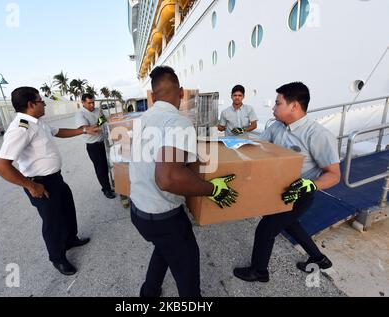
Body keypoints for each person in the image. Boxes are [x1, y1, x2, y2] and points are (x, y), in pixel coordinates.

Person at [129, 66, 238, 297]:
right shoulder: (177, 123)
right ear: (181, 93)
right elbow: (168, 178)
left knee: (163, 248)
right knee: (187, 271)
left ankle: (148, 293)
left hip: (139, 210)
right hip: (164, 217)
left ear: (152, 96)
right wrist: (213, 189)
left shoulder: (143, 119)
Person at [233, 82, 341, 283]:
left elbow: (334, 174)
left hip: (300, 193)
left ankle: (259, 271)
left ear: (294, 106)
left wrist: (312, 185)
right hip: (277, 189)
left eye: (277, 103)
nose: (273, 108)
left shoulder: (317, 135)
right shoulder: (276, 127)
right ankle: (319, 258)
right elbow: (259, 149)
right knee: (290, 224)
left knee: (266, 229)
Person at [0, 87, 97, 276]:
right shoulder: (20, 128)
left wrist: (83, 130)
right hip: (40, 183)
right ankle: (57, 258)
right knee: (52, 222)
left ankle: (70, 239)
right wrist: (31, 186)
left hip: (55, 178)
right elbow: (1, 166)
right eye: (41, 101)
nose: (44, 103)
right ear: (31, 104)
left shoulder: (38, 122)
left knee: (67, 209)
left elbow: (58, 131)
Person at [76, 94, 116, 199]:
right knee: (100, 169)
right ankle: (106, 189)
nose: (92, 105)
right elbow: (89, 130)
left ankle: (107, 185)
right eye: (89, 103)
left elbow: (108, 118)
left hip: (103, 142)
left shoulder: (98, 110)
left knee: (106, 166)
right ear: (83, 102)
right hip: (93, 146)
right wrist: (100, 123)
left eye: (93, 102)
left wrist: (99, 123)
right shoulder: (80, 114)